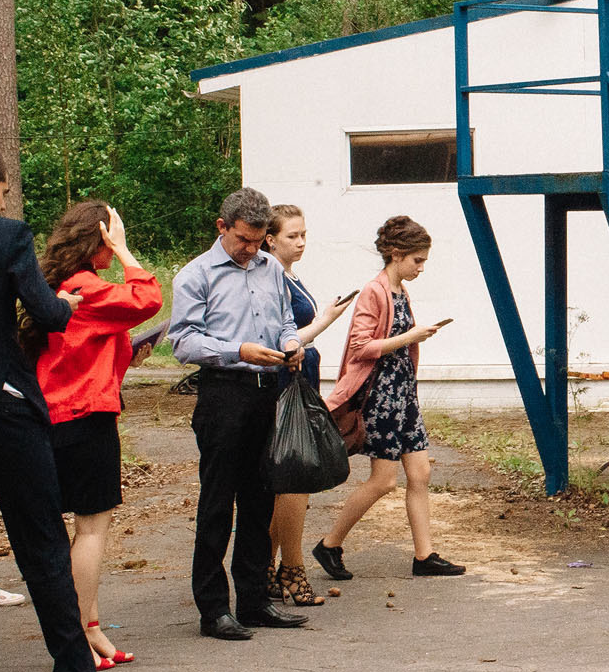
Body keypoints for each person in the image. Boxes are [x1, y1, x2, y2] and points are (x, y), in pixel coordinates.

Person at [0, 146, 133, 672]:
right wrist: (66, 303)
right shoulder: (8, 235)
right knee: (42, 544)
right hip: (9, 405)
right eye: (1, 189)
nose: (4, 198)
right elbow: (45, 315)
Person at [168, 187, 313, 640]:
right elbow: (183, 342)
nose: (251, 249)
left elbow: (286, 321)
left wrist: (292, 344)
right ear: (222, 227)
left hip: (267, 393)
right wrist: (237, 350)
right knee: (217, 503)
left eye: (258, 240)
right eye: (243, 240)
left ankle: (254, 600)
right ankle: (213, 608)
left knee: (259, 499)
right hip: (223, 395)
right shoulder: (195, 276)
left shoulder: (271, 270)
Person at [29, 201, 163, 670]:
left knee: (78, 531)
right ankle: (78, 637)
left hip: (56, 417)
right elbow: (147, 299)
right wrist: (125, 251)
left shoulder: (56, 284)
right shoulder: (85, 287)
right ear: (99, 237)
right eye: (113, 232)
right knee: (90, 531)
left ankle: (90, 629)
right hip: (85, 419)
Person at [315, 216, 463, 579]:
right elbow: (361, 347)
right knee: (383, 481)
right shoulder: (374, 290)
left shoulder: (399, 290)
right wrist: (412, 336)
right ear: (396, 254)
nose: (422, 267)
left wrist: (412, 338)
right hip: (381, 397)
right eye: (417, 260)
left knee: (421, 472)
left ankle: (424, 556)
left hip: (403, 395)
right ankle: (329, 545)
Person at [263, 203, 355, 607]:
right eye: (291, 236)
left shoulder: (288, 275)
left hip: (300, 377)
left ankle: (270, 569)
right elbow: (278, 338)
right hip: (285, 380)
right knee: (293, 478)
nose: (300, 243)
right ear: (270, 239)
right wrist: (326, 321)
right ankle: (290, 568)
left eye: (303, 235)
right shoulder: (270, 278)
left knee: (287, 481)